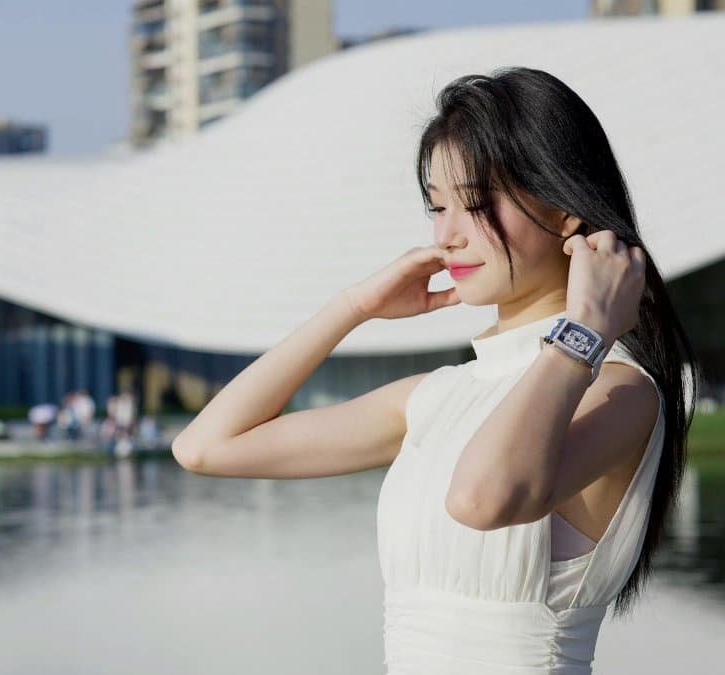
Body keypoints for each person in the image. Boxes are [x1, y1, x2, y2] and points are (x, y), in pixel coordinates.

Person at [171, 67, 699, 674]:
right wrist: (352, 308)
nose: (446, 236)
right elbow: (206, 447)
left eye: (474, 204)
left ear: (564, 211)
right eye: (436, 206)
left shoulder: (617, 389)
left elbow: (481, 498)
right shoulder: (438, 396)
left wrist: (586, 331)